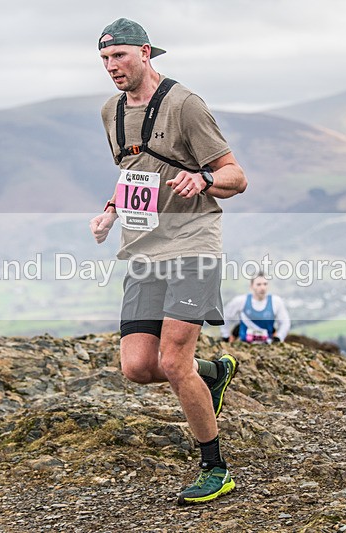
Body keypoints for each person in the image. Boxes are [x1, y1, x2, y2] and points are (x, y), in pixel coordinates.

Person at [89, 18, 247, 506]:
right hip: (143, 249)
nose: (112, 67)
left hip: (192, 243)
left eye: (119, 56)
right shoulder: (111, 111)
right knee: (138, 366)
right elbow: (132, 172)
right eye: (104, 59)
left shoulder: (185, 105)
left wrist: (204, 180)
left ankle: (215, 467)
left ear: (145, 52)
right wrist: (111, 211)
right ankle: (212, 373)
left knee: (173, 361)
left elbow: (236, 176)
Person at [221, 273, 291, 344]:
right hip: (244, 344)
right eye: (258, 284)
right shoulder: (241, 301)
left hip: (267, 345)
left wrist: (279, 337)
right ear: (251, 286)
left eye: (265, 284)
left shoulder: (276, 302)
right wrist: (225, 335)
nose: (262, 288)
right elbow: (226, 316)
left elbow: (285, 323)